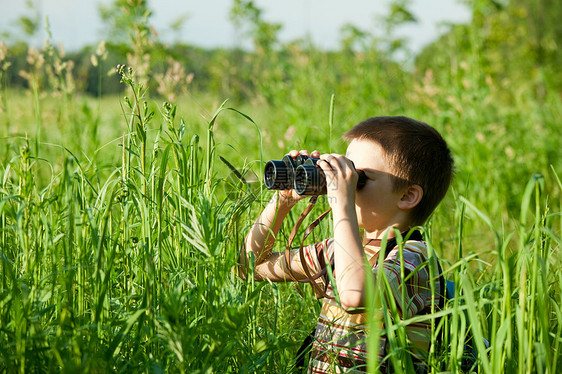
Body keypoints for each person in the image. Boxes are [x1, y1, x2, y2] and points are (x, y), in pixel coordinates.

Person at [238, 116, 454, 373]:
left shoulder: (415, 256)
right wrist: (282, 202)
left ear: (407, 196)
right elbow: (251, 267)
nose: (344, 184)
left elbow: (355, 296)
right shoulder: (339, 251)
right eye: (344, 173)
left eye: (358, 178)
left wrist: (342, 203)